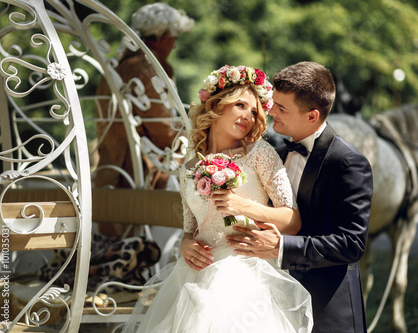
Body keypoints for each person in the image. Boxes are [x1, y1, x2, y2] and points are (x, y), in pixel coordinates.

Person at [122, 65, 313, 333]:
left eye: (255, 111)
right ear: (217, 104)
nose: (248, 115)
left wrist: (245, 207)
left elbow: (292, 220)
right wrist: (185, 246)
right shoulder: (188, 167)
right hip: (194, 276)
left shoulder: (259, 153)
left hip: (243, 274)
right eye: (240, 105)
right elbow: (190, 230)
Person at [224, 62, 373, 333]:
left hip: (326, 307)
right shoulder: (277, 154)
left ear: (312, 116)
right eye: (273, 103)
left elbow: (352, 244)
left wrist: (282, 248)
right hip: (272, 303)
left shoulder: (347, 162)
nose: (270, 111)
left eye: (282, 108)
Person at [95, 3, 194, 236]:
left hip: (111, 166)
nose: (175, 44)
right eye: (174, 37)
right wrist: (198, 132)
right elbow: (164, 132)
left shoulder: (121, 65)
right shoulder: (146, 68)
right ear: (162, 37)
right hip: (140, 171)